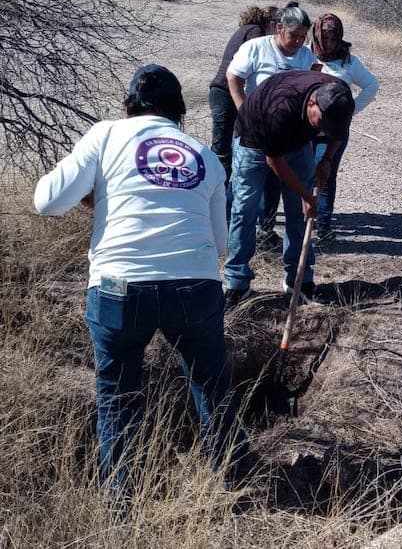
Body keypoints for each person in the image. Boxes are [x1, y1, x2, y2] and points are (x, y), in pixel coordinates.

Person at [33, 65, 251, 504]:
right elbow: (222, 242)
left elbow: (47, 201)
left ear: (128, 109)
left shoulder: (106, 135)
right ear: (179, 114)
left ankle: (122, 502)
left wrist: (98, 196)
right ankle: (234, 483)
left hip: (120, 286)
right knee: (211, 384)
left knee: (118, 394)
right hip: (195, 286)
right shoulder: (203, 156)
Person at [223, 70, 355, 310]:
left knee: (300, 214)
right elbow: (275, 161)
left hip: (298, 143)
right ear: (312, 103)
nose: (324, 130)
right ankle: (237, 283)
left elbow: (341, 129)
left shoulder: (340, 97)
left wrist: (327, 159)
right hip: (252, 142)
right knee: (245, 210)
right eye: (322, 123)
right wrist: (306, 195)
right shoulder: (280, 108)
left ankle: (298, 279)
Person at [227, 3, 317, 252]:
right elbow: (233, 77)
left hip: (292, 141)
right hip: (254, 139)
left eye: (303, 36)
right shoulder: (256, 48)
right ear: (279, 28)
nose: (298, 42)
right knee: (245, 206)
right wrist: (245, 111)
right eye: (294, 35)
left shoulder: (307, 57)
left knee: (296, 206)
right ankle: (237, 271)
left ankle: (296, 268)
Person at [309, 13, 379, 241]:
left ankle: (324, 226)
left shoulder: (348, 62)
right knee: (303, 170)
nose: (329, 42)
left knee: (325, 172)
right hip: (305, 125)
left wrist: (350, 110)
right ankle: (303, 221)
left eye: (334, 37)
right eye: (325, 37)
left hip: (334, 129)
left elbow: (371, 85)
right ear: (316, 35)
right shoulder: (305, 55)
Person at [208, 5, 278, 186]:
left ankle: (221, 189)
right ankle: (218, 190)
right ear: (271, 23)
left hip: (221, 91)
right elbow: (259, 60)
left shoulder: (245, 29)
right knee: (222, 149)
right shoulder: (256, 32)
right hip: (226, 92)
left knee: (225, 145)